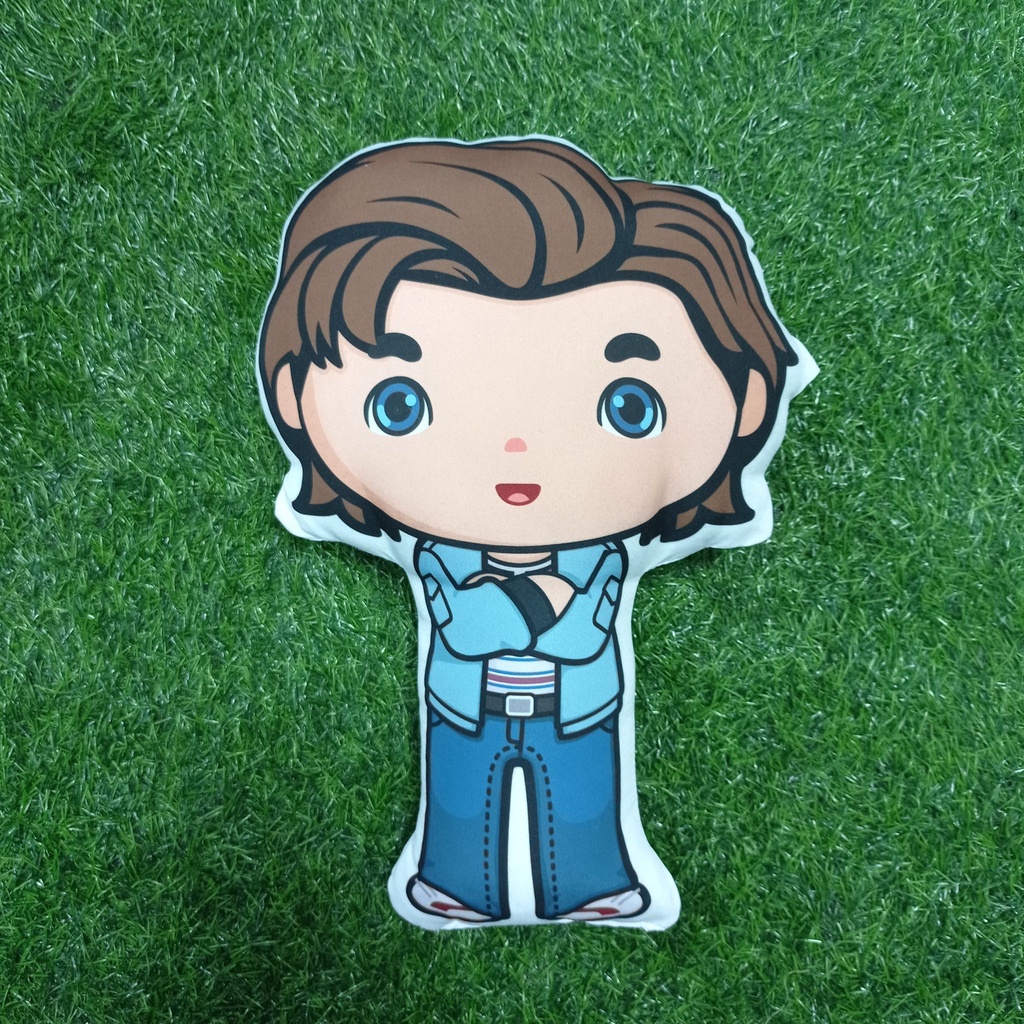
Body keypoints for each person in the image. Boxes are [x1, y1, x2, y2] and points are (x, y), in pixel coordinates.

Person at [258, 137, 813, 926]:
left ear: (749, 401)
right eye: (401, 404)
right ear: (293, 397)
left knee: (583, 802)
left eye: (629, 405)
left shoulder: (603, 557)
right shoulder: (439, 554)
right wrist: (536, 605)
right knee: (461, 803)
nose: (516, 456)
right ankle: (456, 885)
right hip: (465, 707)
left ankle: (593, 885)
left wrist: (520, 610)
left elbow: (580, 634)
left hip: (578, 707)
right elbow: (469, 624)